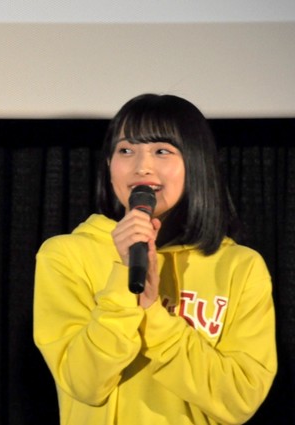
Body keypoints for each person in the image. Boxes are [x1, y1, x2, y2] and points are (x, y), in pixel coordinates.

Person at [33, 94, 276, 424]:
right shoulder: (66, 255)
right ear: (109, 164)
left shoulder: (239, 267)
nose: (141, 167)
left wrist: (153, 314)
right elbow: (84, 383)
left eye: (162, 151)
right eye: (126, 150)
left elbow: (239, 400)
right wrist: (123, 285)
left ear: (195, 162)